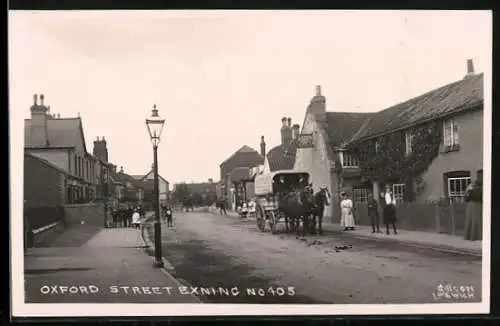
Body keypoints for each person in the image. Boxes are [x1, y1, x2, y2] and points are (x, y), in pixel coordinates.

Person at [464, 169, 483, 241]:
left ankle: (478, 236)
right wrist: (470, 192)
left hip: (479, 205)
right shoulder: (471, 185)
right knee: (471, 221)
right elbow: (466, 195)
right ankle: (470, 236)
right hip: (471, 205)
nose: (480, 177)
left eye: (481, 175)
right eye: (479, 175)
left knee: (478, 221)